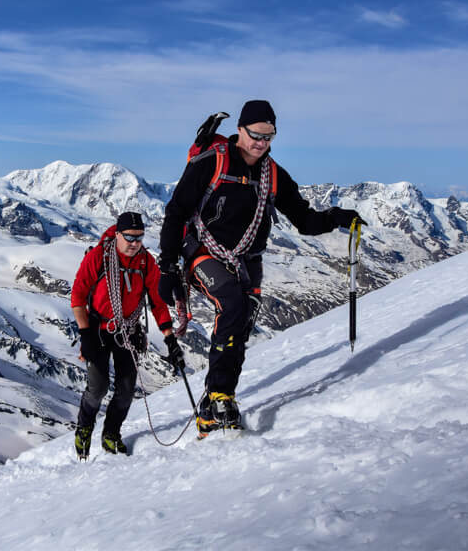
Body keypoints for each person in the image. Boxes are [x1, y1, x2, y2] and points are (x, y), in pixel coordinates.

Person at [158, 100, 365, 436]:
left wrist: (336, 217)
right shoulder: (211, 163)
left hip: (247, 261)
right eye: (255, 134)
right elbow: (176, 212)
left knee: (238, 330)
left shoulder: (273, 175)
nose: (260, 143)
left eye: (268, 137)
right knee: (232, 304)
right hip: (202, 251)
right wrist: (167, 266)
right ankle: (221, 396)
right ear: (240, 129)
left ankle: (215, 401)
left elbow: (304, 220)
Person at [71, 211, 183, 459]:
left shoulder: (145, 263)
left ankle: (111, 433)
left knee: (125, 390)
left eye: (140, 237)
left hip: (128, 331)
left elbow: (158, 302)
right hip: (99, 331)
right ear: (118, 234)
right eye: (130, 237)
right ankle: (85, 427)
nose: (135, 243)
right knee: (98, 388)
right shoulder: (98, 256)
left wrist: (169, 337)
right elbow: (78, 296)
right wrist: (85, 333)